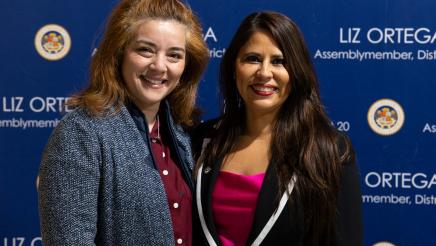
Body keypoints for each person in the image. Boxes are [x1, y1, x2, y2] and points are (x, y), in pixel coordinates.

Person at [37, 0, 208, 245]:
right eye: (145, 50)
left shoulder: (182, 133)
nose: (159, 66)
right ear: (119, 54)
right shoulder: (81, 131)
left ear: (186, 66)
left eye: (174, 55)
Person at [191, 11, 363, 246]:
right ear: (234, 67)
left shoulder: (330, 150)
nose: (264, 73)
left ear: (297, 72)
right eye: (252, 58)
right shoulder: (201, 139)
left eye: (279, 61)